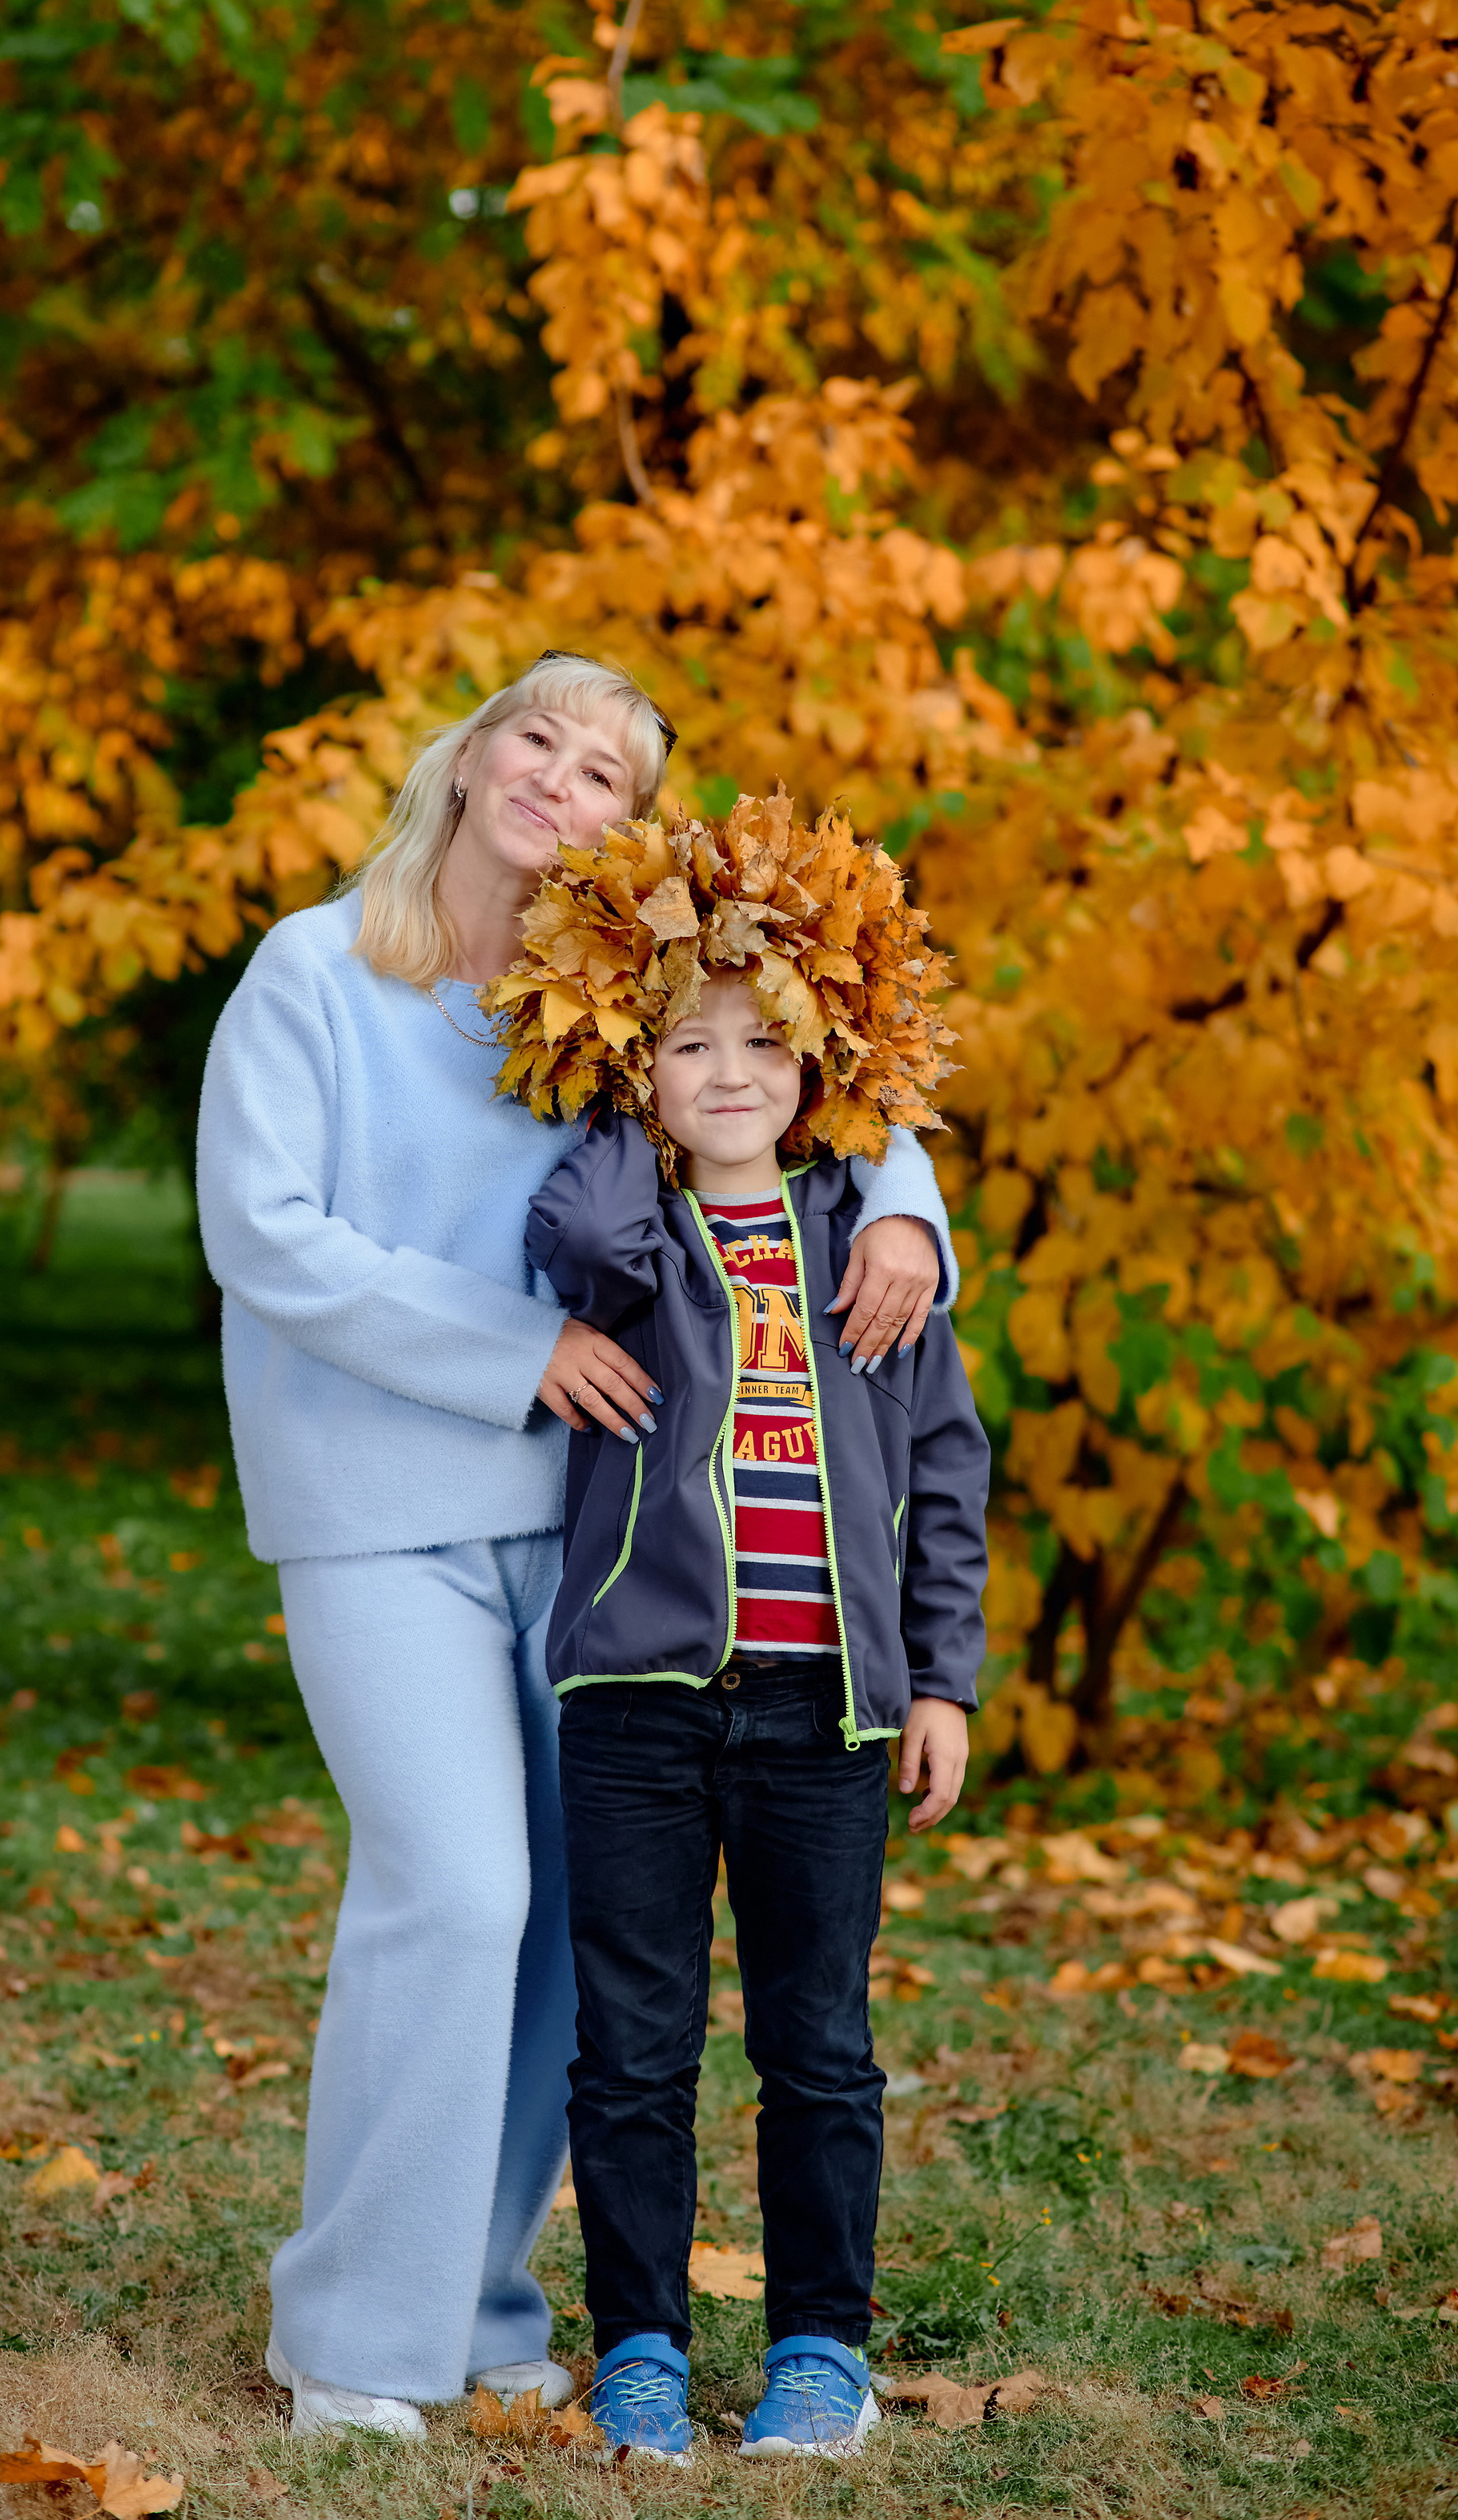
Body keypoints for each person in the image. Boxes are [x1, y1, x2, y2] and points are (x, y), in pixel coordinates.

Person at [195, 663, 960, 2438]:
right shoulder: (314, 972)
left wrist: (909, 1198)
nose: (560, 774)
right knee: (455, 1894)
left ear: (631, 826)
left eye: (606, 767)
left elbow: (804, 1057)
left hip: (602, 1530)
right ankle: (355, 2345)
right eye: (536, 734)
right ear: (467, 760)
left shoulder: (611, 992)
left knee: (567, 1937)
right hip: (377, 1512)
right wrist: (510, 1348)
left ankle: (471, 2298)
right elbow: (263, 1233)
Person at [498, 793, 990, 2462]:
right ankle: (637, 2341)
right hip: (637, 1704)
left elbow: (943, 1467)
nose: (725, 1072)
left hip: (826, 1717)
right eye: (685, 1044)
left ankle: (817, 2354)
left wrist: (943, 1683)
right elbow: (566, 1226)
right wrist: (624, 1118)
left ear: (819, 1064)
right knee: (632, 2046)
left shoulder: (874, 1254)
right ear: (636, 1078)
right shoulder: (629, 1245)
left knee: (817, 2047)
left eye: (758, 1040)